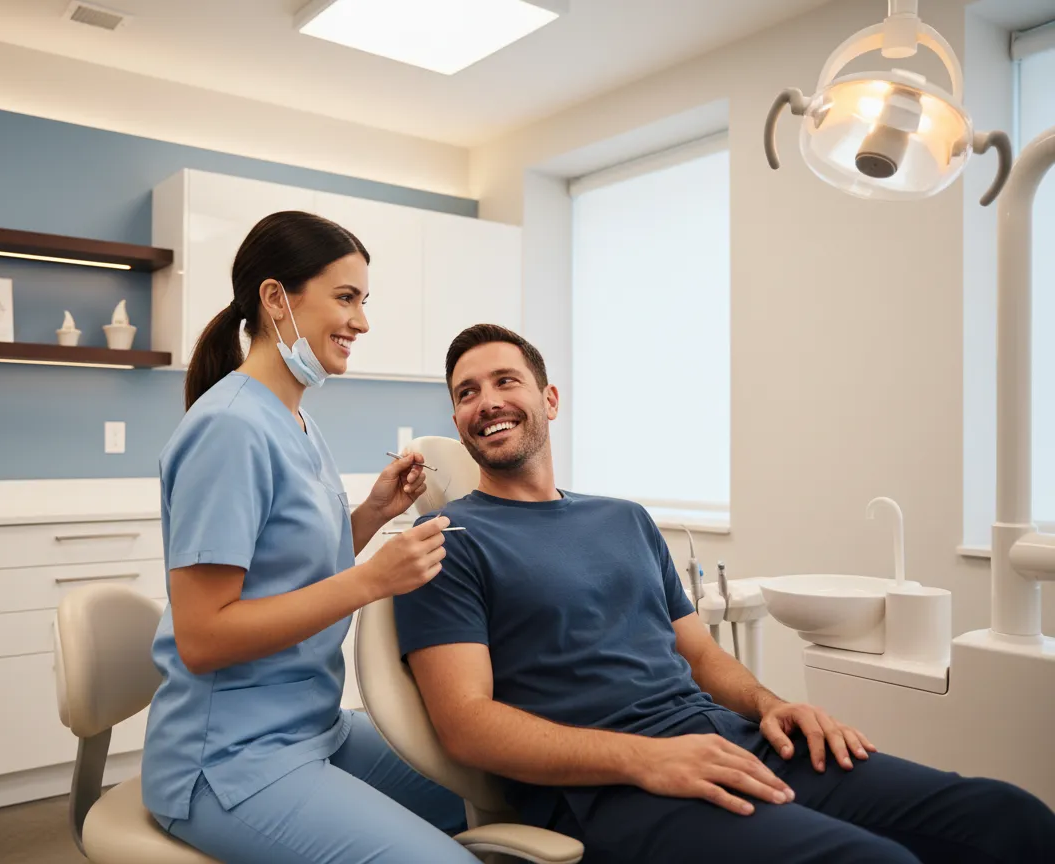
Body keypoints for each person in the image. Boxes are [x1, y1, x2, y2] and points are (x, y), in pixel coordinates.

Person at [394, 323, 1055, 864]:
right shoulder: (446, 540)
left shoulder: (624, 518)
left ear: (550, 399)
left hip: (731, 739)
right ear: (458, 421)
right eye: (467, 393)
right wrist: (645, 759)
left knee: (1009, 820)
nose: (487, 402)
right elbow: (466, 725)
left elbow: (703, 659)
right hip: (613, 785)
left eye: (505, 381)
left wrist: (773, 705)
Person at [141, 211, 479, 864]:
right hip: (228, 759)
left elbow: (287, 571)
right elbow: (204, 637)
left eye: (364, 300)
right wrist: (372, 580)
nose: (362, 321)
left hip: (312, 729)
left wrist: (372, 515)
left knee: (489, 795)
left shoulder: (296, 422)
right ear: (276, 299)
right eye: (346, 298)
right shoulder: (230, 429)